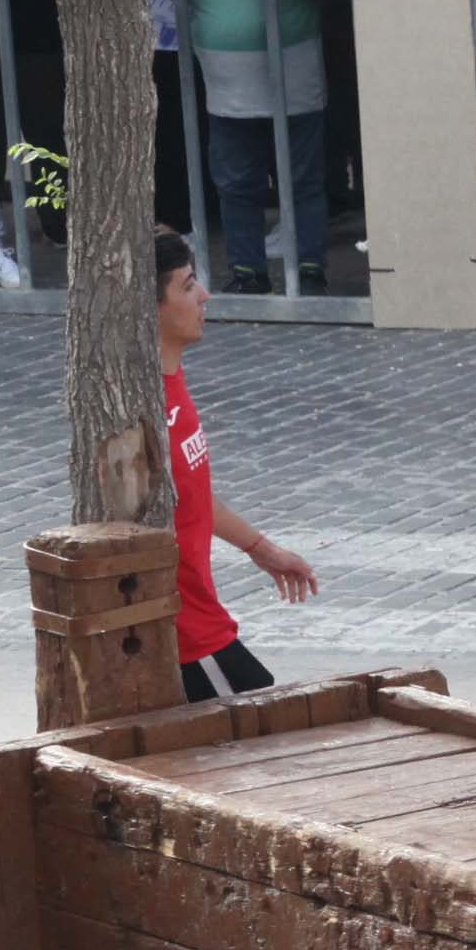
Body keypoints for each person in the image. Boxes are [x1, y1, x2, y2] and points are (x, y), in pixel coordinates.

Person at [160, 0, 341, 296]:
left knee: (300, 179)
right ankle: (247, 272)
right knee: (236, 183)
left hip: (292, 78)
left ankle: (310, 268)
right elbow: (177, 8)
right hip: (227, 89)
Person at [154, 229, 319, 699]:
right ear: (152, 308)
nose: (204, 295)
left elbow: (191, 491)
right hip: (186, 636)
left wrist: (261, 549)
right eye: (187, 286)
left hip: (200, 624)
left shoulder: (173, 379)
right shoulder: (146, 408)